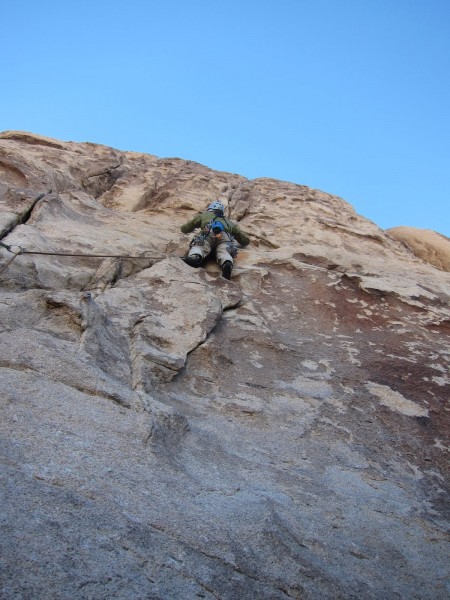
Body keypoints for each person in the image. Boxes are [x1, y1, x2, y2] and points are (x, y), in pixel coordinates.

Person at [180, 201, 250, 279]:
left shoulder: (205, 215)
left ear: (210, 208)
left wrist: (184, 228)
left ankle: (195, 257)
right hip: (224, 237)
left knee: (200, 247)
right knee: (224, 250)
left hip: (207, 233)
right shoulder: (229, 222)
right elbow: (245, 240)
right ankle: (227, 262)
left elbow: (185, 228)